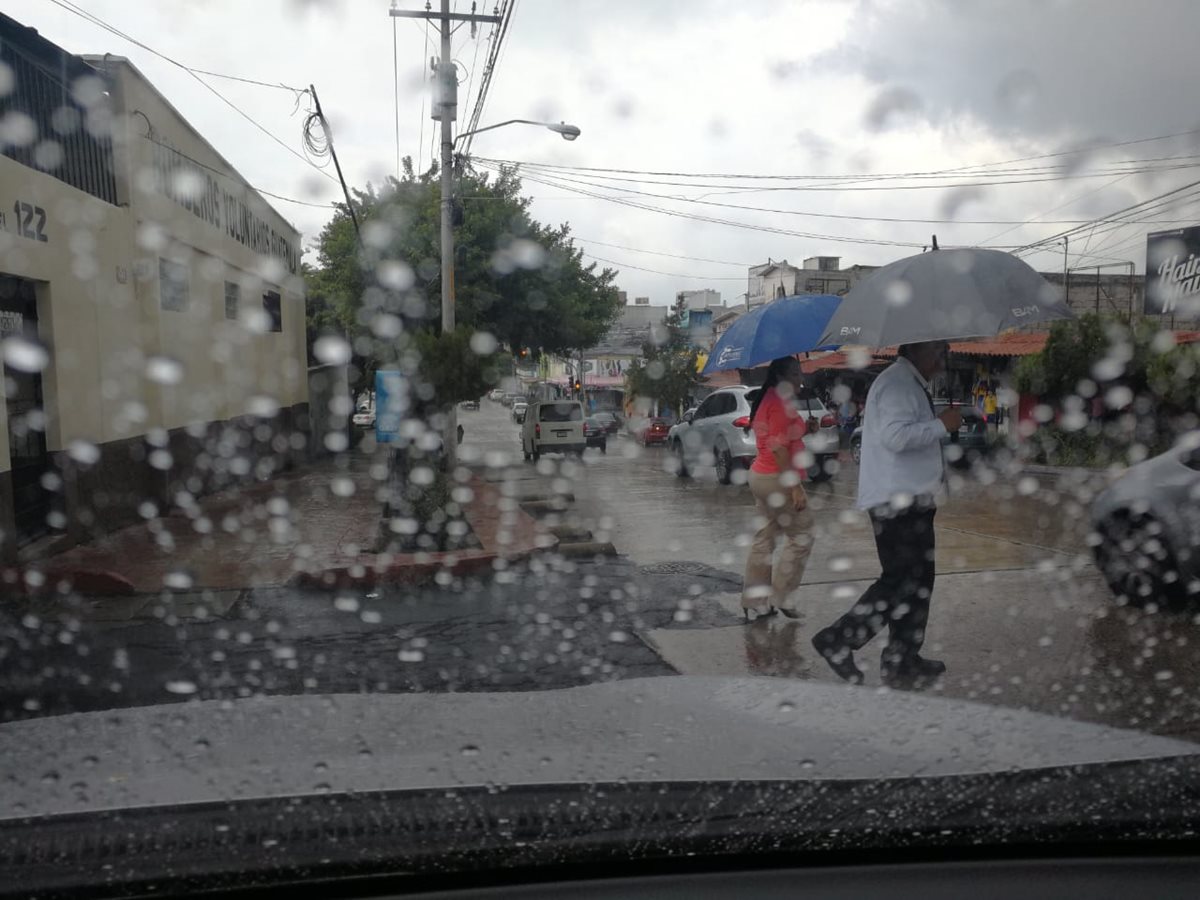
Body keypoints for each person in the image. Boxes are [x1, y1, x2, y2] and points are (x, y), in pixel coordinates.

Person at [811, 341, 963, 688]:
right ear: (919, 351)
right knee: (900, 581)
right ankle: (838, 639)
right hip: (897, 503)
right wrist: (942, 425)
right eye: (940, 351)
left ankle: (902, 659)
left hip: (914, 500)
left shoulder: (909, 383)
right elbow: (896, 438)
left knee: (919, 583)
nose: (944, 359)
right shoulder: (897, 384)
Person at [742, 356, 814, 622]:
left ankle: (756, 601)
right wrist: (795, 488)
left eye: (800, 373)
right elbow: (778, 447)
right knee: (803, 534)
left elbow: (782, 437)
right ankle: (781, 597)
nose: (800, 379)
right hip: (776, 478)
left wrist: (805, 429)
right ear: (782, 377)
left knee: (764, 538)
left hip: (761, 476)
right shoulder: (781, 402)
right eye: (795, 374)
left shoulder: (771, 398)